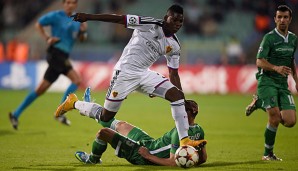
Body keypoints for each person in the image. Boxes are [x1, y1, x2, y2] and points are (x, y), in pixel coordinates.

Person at [56, 4, 202, 147]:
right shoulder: (148, 24)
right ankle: (73, 103)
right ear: (166, 18)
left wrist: (183, 101)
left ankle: (184, 140)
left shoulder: (174, 45)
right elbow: (119, 19)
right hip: (124, 72)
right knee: (105, 117)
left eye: (180, 21)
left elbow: (173, 73)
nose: (177, 24)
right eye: (174, 19)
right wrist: (88, 17)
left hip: (144, 74)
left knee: (176, 96)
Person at [66, 89, 207, 166]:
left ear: (187, 112)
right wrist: (192, 159)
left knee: (103, 133)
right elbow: (204, 158)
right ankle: (89, 109)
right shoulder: (199, 130)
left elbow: (172, 162)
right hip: (150, 143)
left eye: (181, 108)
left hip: (142, 154)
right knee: (121, 125)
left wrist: (148, 156)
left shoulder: (179, 132)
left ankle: (93, 159)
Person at [8, 0, 87, 130]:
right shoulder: (56, 16)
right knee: (76, 80)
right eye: (67, 2)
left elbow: (82, 39)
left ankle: (16, 114)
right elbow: (38, 24)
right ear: (63, 4)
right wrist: (47, 38)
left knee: (41, 89)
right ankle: (60, 111)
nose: (70, 5)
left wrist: (83, 31)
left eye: (73, 3)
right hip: (55, 53)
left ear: (76, 5)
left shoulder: (78, 20)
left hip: (63, 56)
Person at [245, 5, 297, 161]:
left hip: (282, 84)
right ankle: (268, 154)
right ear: (274, 19)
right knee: (274, 118)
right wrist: (275, 68)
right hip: (266, 81)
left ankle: (259, 102)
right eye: (279, 17)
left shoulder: (293, 39)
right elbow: (259, 61)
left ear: (290, 19)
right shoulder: (269, 38)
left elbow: (291, 60)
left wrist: (296, 79)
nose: (282, 20)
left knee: (290, 121)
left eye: (285, 17)